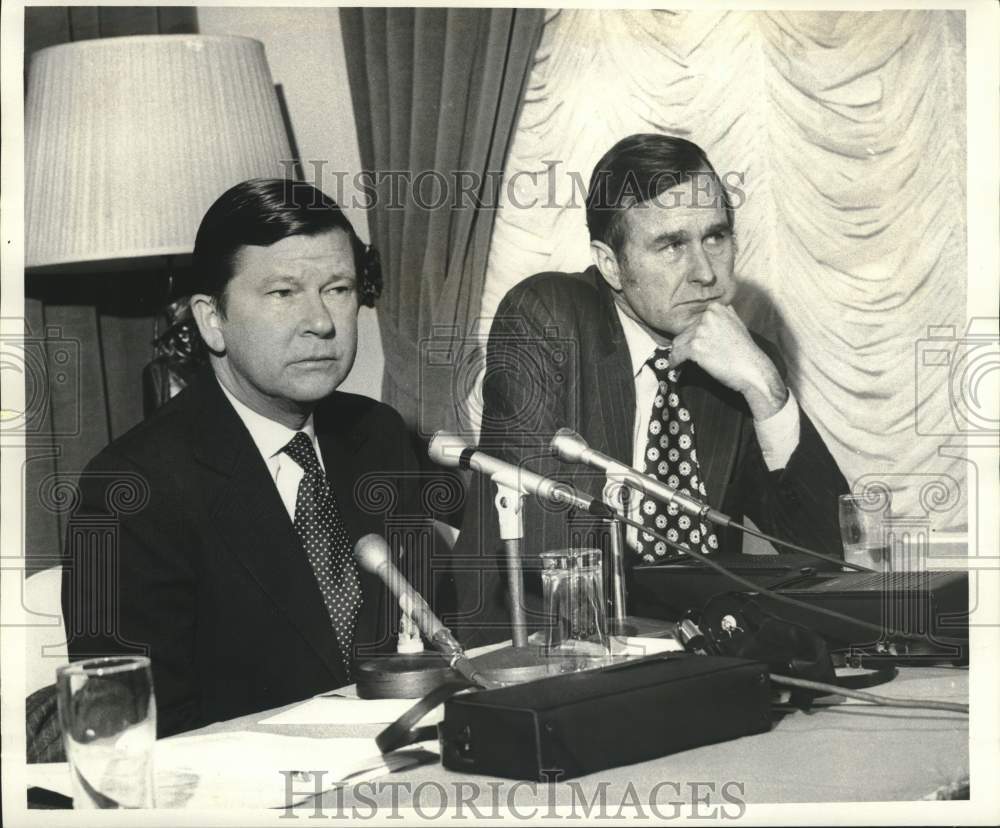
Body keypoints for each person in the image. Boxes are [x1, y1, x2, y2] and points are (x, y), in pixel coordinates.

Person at [447, 134, 849, 646]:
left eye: (716, 237)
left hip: (699, 653)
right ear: (611, 263)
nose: (705, 273)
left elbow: (830, 560)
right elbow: (548, 563)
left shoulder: (742, 358)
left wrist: (767, 391)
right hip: (541, 652)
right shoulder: (548, 317)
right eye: (672, 245)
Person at [61, 179, 426, 737]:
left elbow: (421, 650)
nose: (321, 321)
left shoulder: (378, 435)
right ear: (212, 319)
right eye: (283, 293)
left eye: (338, 289)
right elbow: (131, 733)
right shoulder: (129, 488)